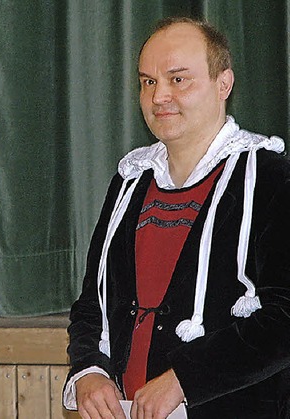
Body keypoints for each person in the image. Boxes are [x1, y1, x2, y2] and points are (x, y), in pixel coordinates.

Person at [63, 16, 290, 419]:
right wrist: (90, 370)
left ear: (224, 84)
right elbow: (91, 304)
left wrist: (185, 378)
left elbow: (284, 317)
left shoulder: (271, 178)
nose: (159, 96)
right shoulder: (130, 181)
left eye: (178, 79)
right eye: (148, 81)